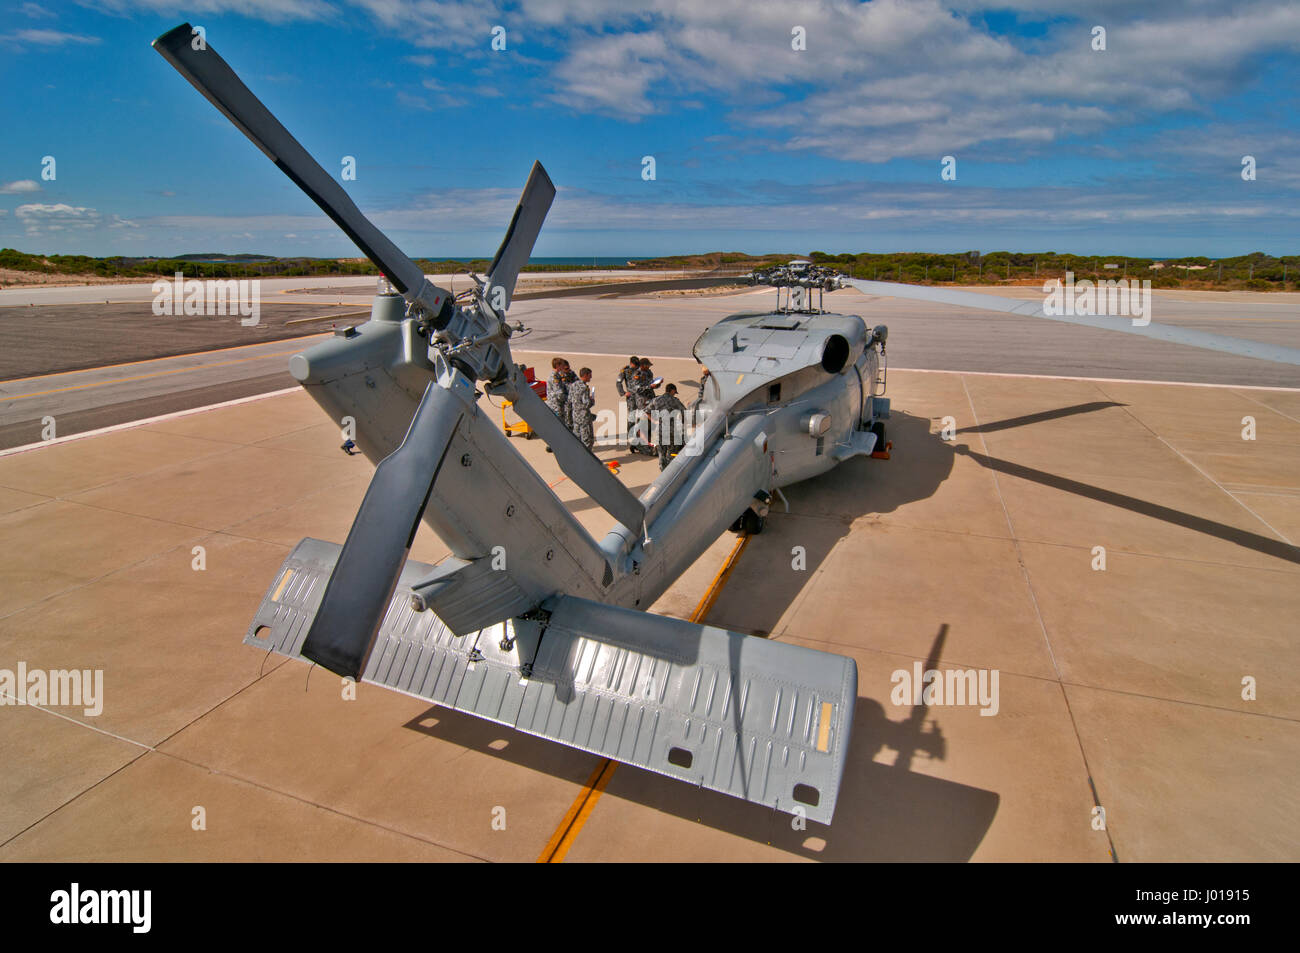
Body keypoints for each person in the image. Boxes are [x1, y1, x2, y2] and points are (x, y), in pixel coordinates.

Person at [648, 383, 687, 470]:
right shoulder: (675, 400)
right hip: (672, 431)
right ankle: (669, 471)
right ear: (672, 390)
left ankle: (662, 468)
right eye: (674, 392)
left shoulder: (656, 400)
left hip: (660, 429)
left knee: (661, 452)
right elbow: (684, 412)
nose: (674, 394)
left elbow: (646, 411)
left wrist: (654, 421)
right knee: (671, 451)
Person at [629, 358, 658, 454]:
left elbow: (651, 382)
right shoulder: (637, 374)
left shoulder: (649, 372)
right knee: (643, 423)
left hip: (650, 400)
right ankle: (638, 444)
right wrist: (650, 387)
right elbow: (637, 389)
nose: (649, 367)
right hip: (642, 401)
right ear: (643, 365)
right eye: (648, 365)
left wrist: (656, 384)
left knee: (651, 422)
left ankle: (647, 442)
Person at [566, 367, 596, 450]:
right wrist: (592, 400)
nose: (591, 377)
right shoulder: (584, 388)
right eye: (590, 375)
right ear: (585, 375)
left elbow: (569, 400)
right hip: (584, 418)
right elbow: (586, 404)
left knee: (577, 438)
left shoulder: (573, 385)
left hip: (575, 416)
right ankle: (587, 459)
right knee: (587, 440)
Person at [617, 356, 640, 441]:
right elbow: (618, 382)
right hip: (631, 397)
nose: (637, 366)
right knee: (632, 416)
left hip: (640, 396)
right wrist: (623, 393)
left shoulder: (639, 369)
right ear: (631, 363)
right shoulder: (625, 370)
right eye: (635, 365)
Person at [547, 357, 571, 428]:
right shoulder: (554, 378)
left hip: (559, 405)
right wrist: (570, 398)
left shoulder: (558, 375)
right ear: (557, 366)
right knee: (559, 426)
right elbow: (559, 394)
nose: (564, 367)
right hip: (556, 406)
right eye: (562, 365)